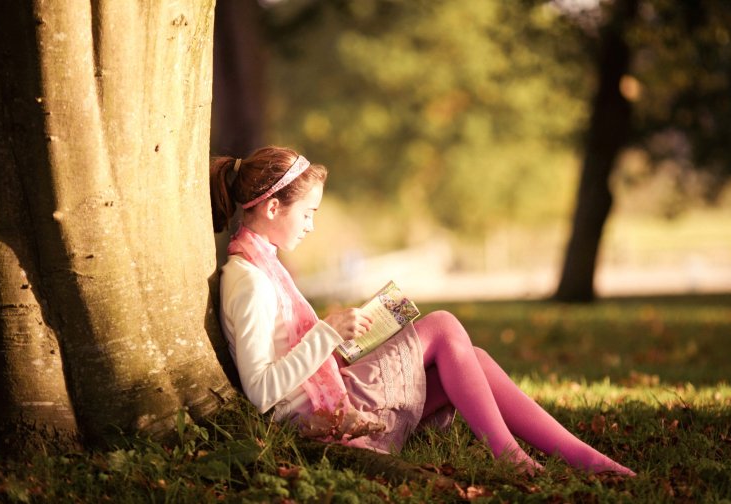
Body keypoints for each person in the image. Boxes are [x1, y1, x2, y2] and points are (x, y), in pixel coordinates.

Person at [210, 146, 635, 476]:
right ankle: (511, 457)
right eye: (307, 213)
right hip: (325, 422)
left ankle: (584, 457)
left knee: (473, 361)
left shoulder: (264, 265)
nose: (311, 225)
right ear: (271, 208)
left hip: (338, 393)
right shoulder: (247, 280)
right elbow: (262, 392)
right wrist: (326, 334)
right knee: (445, 326)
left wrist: (344, 340)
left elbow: (292, 355)